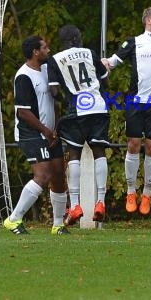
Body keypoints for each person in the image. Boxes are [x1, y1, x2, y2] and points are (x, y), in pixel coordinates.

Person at [101, 6, 151, 216]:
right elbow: (113, 61)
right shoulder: (135, 42)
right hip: (136, 101)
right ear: (148, 20)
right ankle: (131, 190)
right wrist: (103, 64)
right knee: (133, 144)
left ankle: (147, 192)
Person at [4, 35, 69, 235]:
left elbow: (54, 103)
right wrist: (45, 131)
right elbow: (22, 112)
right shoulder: (23, 76)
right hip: (31, 133)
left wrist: (55, 127)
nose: (48, 50)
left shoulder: (48, 71)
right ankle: (14, 219)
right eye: (45, 47)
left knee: (58, 174)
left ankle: (58, 225)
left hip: (51, 132)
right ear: (35, 52)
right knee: (43, 175)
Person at [48, 25, 110, 225]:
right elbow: (103, 78)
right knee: (99, 152)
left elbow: (54, 92)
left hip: (76, 110)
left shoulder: (55, 60)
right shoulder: (90, 53)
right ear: (77, 38)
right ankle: (101, 202)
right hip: (97, 107)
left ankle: (75, 205)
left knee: (74, 154)